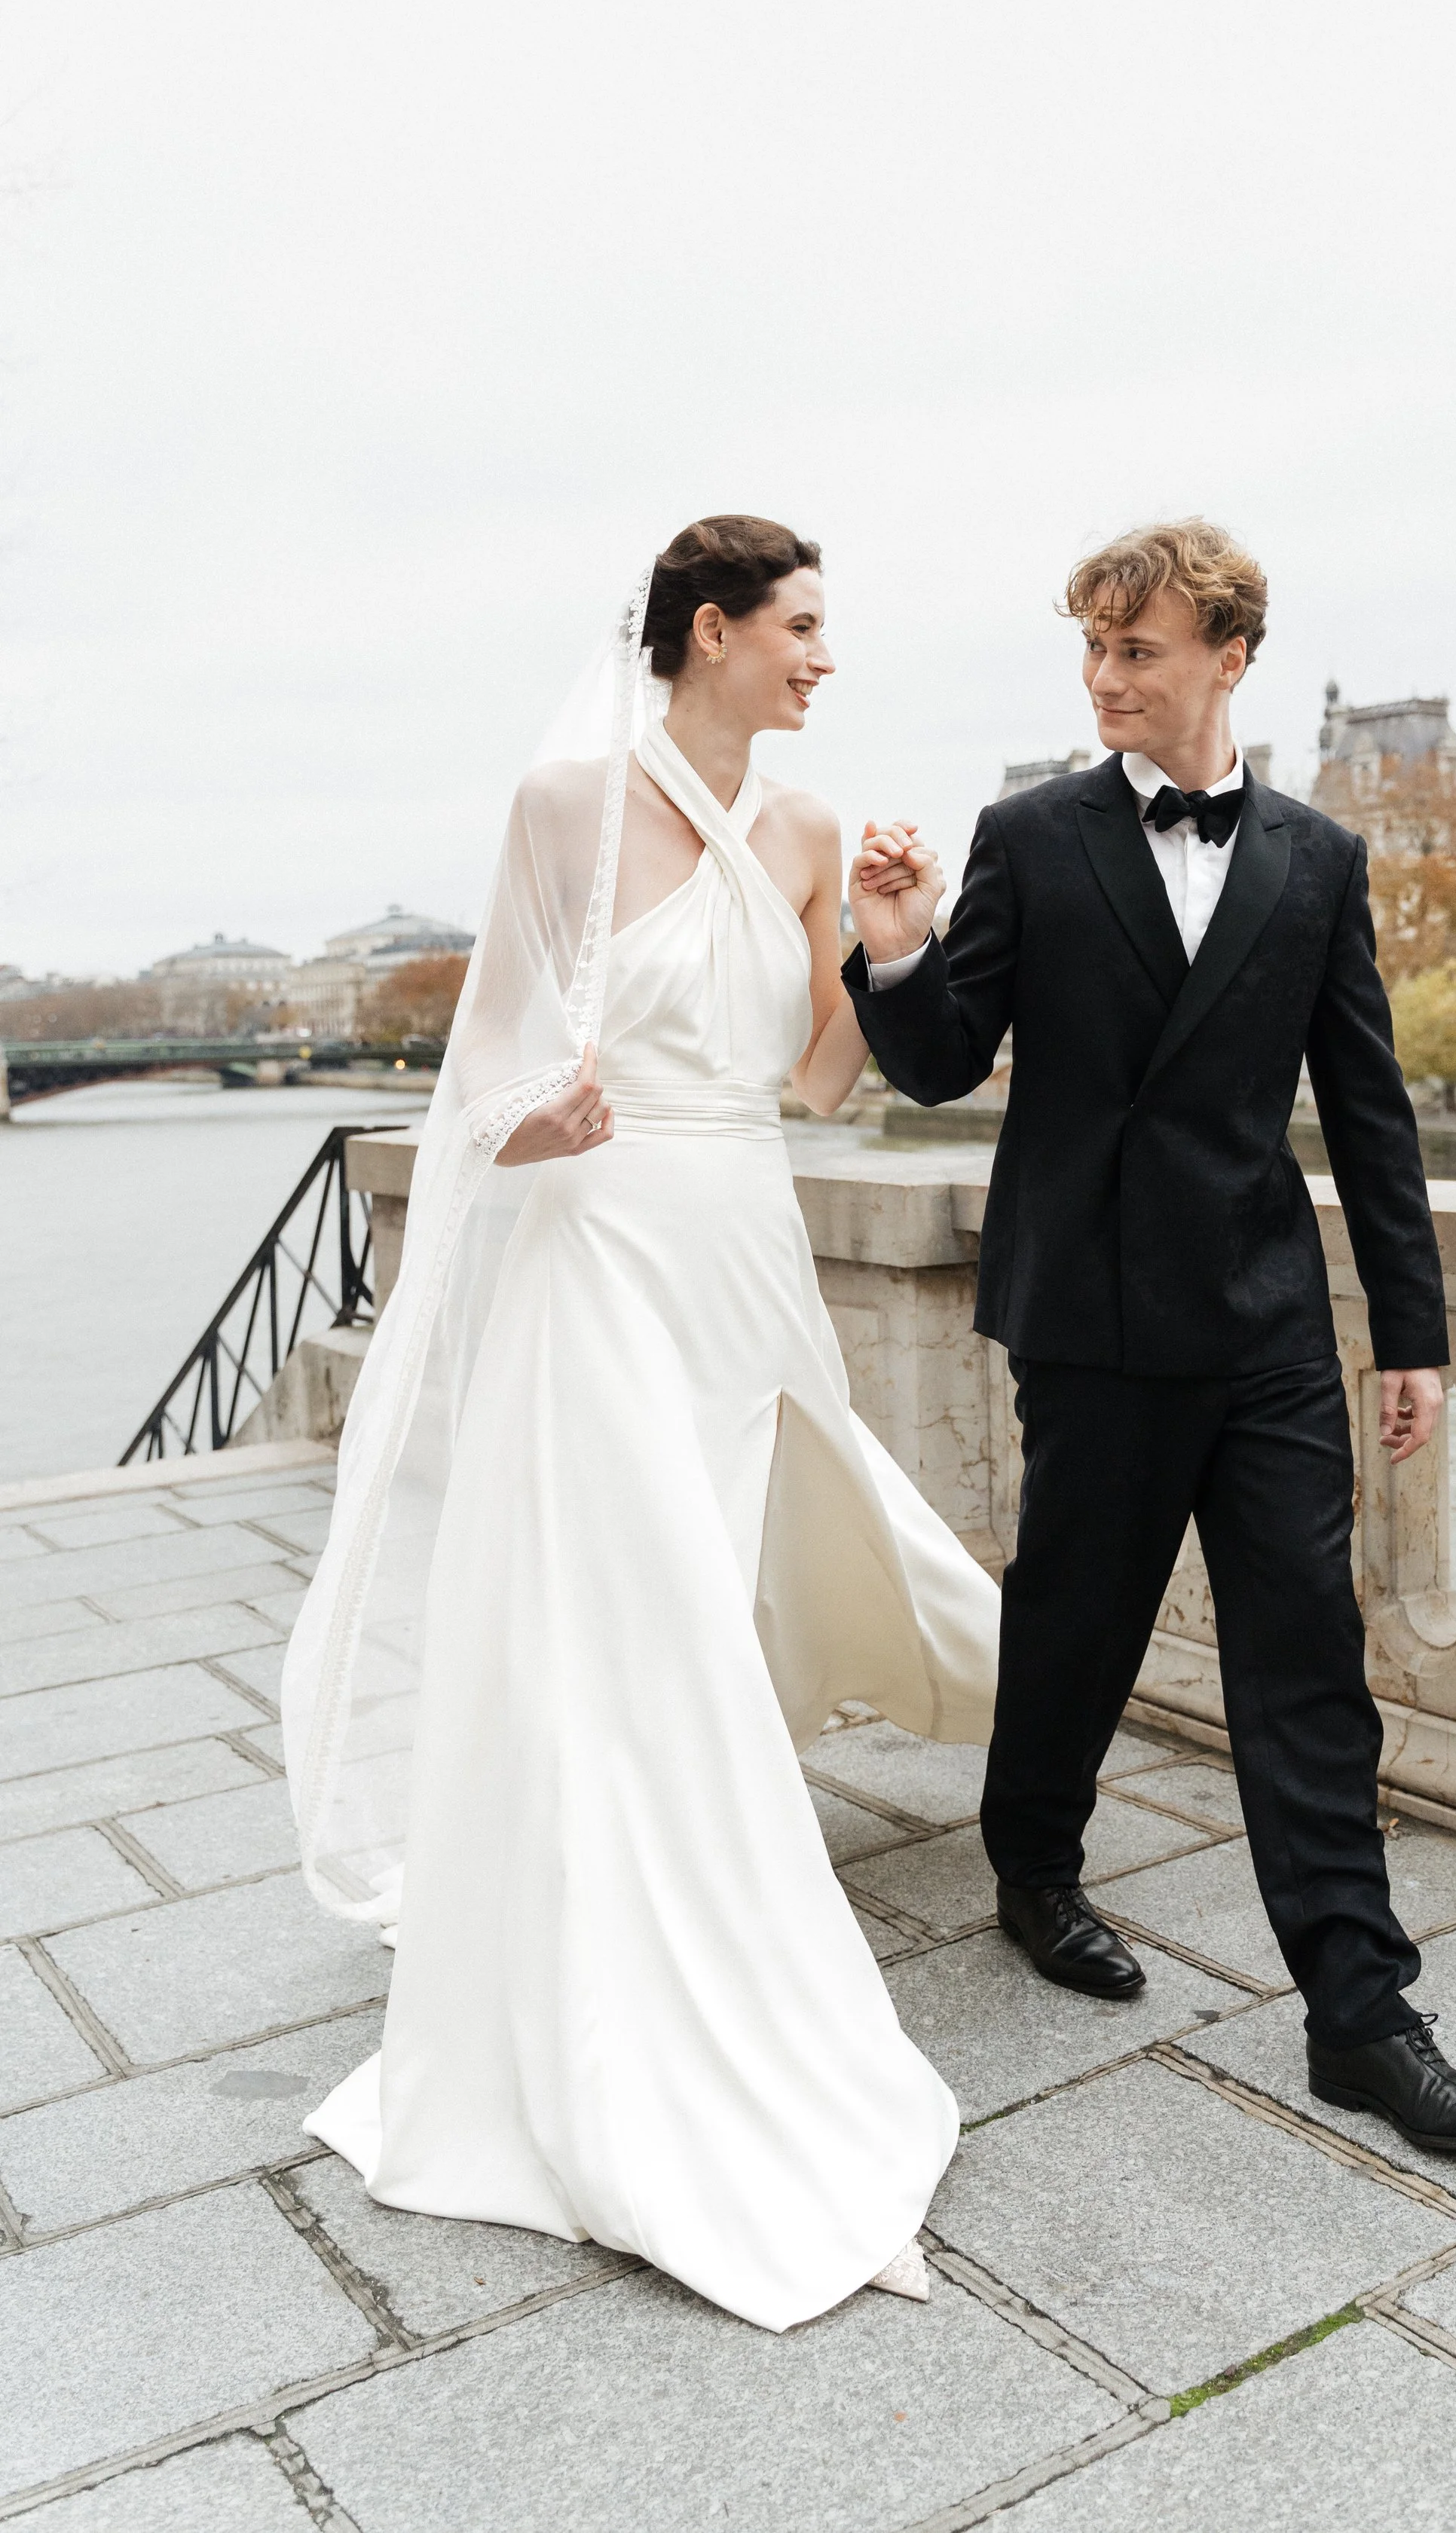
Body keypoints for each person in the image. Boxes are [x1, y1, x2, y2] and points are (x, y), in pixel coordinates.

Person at [281, 516, 1002, 2330]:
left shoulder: (817, 833)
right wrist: (543, 1122)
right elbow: (490, 1082)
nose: (827, 658)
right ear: (711, 631)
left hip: (742, 1247)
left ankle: (681, 1913)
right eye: (804, 625)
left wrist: (895, 943)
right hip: (597, 1262)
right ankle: (639, 1985)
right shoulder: (562, 806)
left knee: (718, 1597)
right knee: (634, 1614)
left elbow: (821, 1079)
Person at [844, 519, 1456, 2154]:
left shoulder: (1314, 859)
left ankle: (1359, 2014)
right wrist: (893, 944)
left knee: (1305, 1664)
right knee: (1074, 1623)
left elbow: (1367, 1113)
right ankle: (1033, 1868)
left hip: (1265, 1324)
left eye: (1136, 650)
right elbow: (940, 1064)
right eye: (1090, 650)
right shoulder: (1029, 835)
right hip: (1086, 1320)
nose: (1105, 679)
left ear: (1227, 655)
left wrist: (1408, 1335)